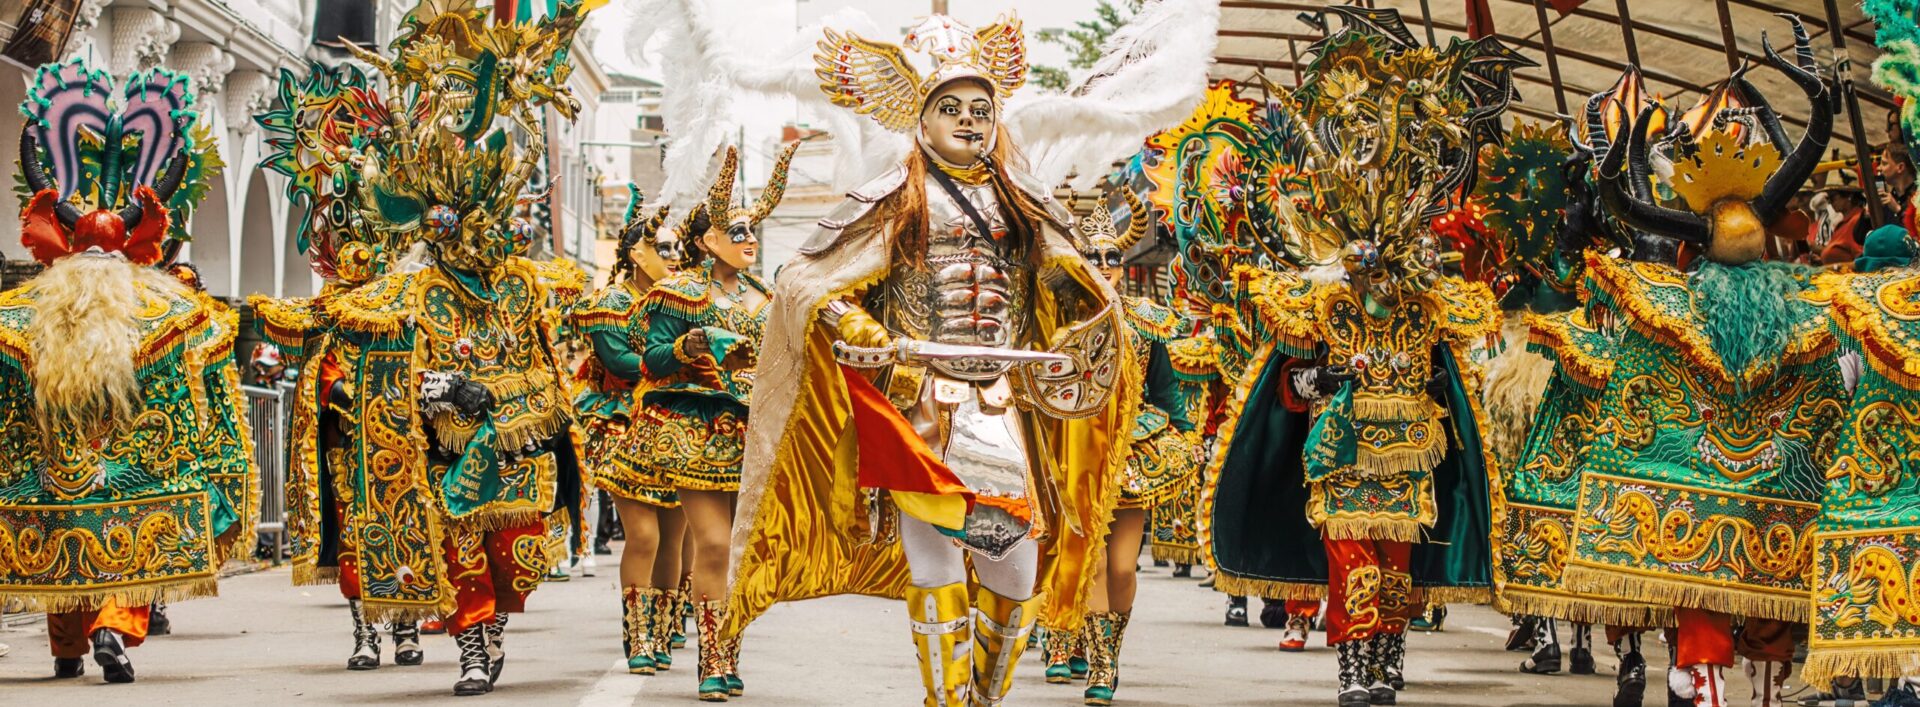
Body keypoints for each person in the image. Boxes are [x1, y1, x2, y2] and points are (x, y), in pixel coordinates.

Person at [723, 12, 1139, 707]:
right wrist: (852, 317)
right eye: (951, 108)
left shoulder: (1024, 197)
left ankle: (982, 696)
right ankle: (946, 701)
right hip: (921, 407)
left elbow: (1072, 282)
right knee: (939, 557)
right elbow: (803, 280)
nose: (969, 121)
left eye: (981, 109)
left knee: (1014, 565)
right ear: (922, 118)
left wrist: (1081, 319)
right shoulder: (889, 196)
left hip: (1008, 405)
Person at [1571, 20, 1846, 707]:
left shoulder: (1795, 324)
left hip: (1750, 475)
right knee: (1706, 584)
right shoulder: (1688, 317)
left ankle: (1709, 670)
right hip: (1707, 474)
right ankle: (1695, 671)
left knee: (1744, 582)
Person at [323, 2, 589, 695]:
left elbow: (547, 369)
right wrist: (447, 389)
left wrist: (520, 408)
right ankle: (471, 645)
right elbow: (392, 379)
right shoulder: (416, 292)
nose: (479, 238)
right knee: (461, 553)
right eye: (461, 226)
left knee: (520, 557)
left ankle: (493, 629)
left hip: (518, 449)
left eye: (487, 225)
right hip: (448, 453)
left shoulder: (521, 290)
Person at [0, 58, 251, 684]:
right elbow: (204, 363)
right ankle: (112, 627)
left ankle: (66, 648)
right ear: (136, 251)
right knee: (126, 537)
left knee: (64, 537)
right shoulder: (166, 311)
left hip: (49, 471)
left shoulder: (19, 315)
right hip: (132, 463)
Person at [250, 60, 423, 672]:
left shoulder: (414, 301)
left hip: (408, 436)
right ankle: (366, 632)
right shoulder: (336, 306)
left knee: (408, 523)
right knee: (353, 526)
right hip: (348, 438)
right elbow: (318, 359)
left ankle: (405, 624)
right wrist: (345, 395)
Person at [625, 144, 792, 700]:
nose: (749, 240)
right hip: (694, 431)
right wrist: (693, 343)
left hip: (752, 435)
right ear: (705, 242)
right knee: (714, 545)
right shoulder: (677, 293)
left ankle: (726, 655)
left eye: (752, 232)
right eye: (736, 231)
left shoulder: (769, 298)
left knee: (740, 549)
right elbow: (649, 359)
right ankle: (711, 663)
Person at [1039, 189, 1201, 706]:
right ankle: (1101, 669)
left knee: (1123, 567)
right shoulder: (1059, 324)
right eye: (1094, 257)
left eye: (1112, 258)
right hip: (1076, 454)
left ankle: (1109, 648)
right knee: (1087, 562)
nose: (1105, 266)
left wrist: (1182, 435)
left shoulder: (1144, 321)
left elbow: (1166, 387)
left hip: (1133, 453)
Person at [572, 195, 692, 676]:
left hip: (676, 421)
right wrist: (682, 356)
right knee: (642, 533)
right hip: (623, 422)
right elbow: (622, 364)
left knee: (676, 535)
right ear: (636, 254)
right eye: (664, 248)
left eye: (678, 249)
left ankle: (662, 633)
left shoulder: (682, 299)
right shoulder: (609, 303)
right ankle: (637, 637)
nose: (675, 257)